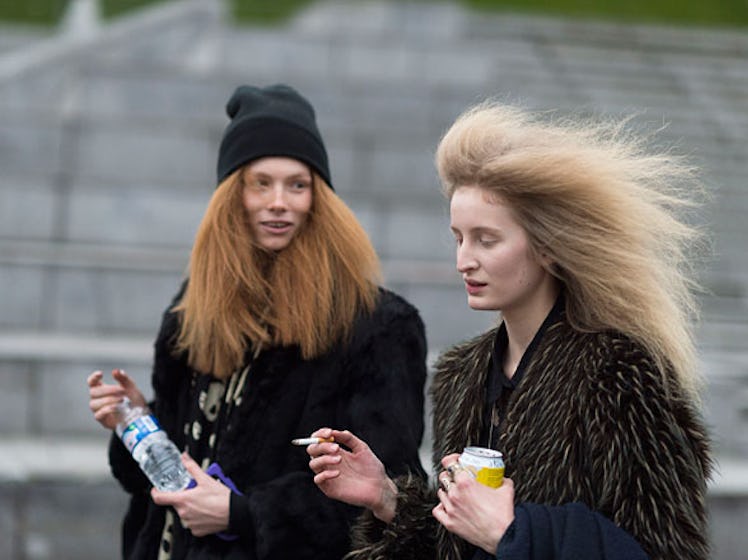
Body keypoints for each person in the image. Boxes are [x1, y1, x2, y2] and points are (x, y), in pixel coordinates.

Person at [307, 101, 713, 560]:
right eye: (459, 237)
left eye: (487, 239)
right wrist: (387, 500)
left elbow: (667, 550)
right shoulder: (459, 374)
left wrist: (516, 531)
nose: (464, 260)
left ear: (547, 246)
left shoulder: (622, 375)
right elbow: (458, 546)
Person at [86, 83, 428, 560]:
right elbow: (168, 468)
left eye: (297, 184)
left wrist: (244, 515)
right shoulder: (195, 308)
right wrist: (138, 421)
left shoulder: (377, 327)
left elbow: (388, 493)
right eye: (260, 182)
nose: (278, 202)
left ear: (318, 198)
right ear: (233, 195)